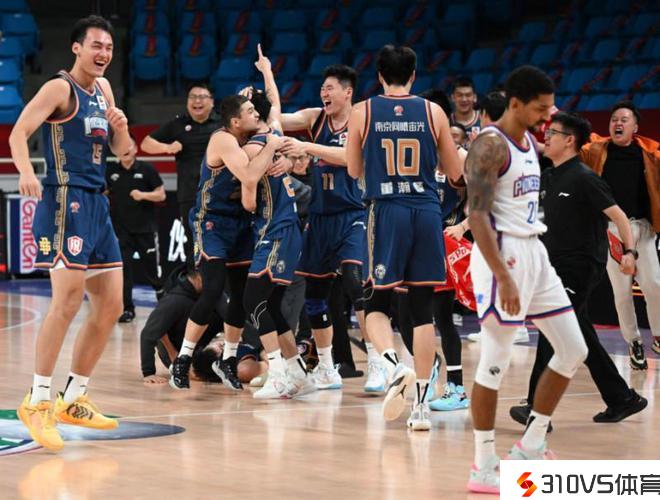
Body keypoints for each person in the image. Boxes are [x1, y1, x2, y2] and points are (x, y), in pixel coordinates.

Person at [464, 66, 589, 494]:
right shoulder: (489, 145)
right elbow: (476, 216)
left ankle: (531, 445)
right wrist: (503, 275)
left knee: (573, 348)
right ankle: (483, 465)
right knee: (495, 360)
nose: (547, 116)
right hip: (503, 255)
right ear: (515, 103)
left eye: (550, 109)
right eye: (540, 108)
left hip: (535, 252)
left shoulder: (530, 143)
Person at [9, 15, 131, 452]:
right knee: (67, 300)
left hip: (97, 203)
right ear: (77, 47)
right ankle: (38, 400)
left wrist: (122, 129)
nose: (103, 54)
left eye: (109, 48)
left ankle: (73, 397)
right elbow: (19, 133)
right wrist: (27, 172)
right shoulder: (59, 89)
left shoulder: (105, 90)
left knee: (112, 304)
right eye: (96, 45)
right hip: (65, 200)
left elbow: (124, 154)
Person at [346, 44, 462, 430]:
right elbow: (454, 172)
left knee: (376, 302)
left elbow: (353, 169)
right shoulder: (434, 112)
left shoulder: (363, 111)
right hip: (427, 211)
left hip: (387, 210)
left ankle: (395, 365)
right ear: (414, 75)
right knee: (422, 310)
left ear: (379, 75)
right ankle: (422, 409)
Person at [510, 111, 647, 428]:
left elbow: (619, 217)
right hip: (553, 266)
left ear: (569, 140)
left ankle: (536, 409)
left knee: (551, 329)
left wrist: (629, 252)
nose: (546, 138)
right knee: (580, 334)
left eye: (552, 134)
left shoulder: (585, 178)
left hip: (580, 267)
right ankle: (622, 398)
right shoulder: (548, 176)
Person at [271, 62, 385, 393]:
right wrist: (266, 77)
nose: (324, 93)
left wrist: (306, 147)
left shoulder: (362, 120)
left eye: (330, 88)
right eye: (322, 88)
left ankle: (376, 363)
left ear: (348, 92)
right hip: (321, 218)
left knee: (354, 281)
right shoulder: (314, 117)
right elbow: (276, 121)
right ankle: (326, 366)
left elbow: (350, 158)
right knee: (315, 295)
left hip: (354, 213)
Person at [168, 94, 284, 392]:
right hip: (212, 222)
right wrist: (272, 146)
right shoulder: (223, 139)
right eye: (249, 111)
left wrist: (266, 75)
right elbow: (248, 176)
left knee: (242, 295)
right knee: (213, 289)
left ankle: (229, 358)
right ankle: (183, 359)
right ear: (235, 121)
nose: (255, 114)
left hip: (240, 222)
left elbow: (274, 112)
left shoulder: (252, 136)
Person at [239, 47, 315, 399]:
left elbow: (249, 186)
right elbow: (274, 103)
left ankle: (278, 373)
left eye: (248, 108)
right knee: (269, 305)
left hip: (278, 229)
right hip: (279, 228)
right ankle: (297, 372)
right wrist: (267, 71)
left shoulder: (259, 144)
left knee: (253, 300)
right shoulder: (269, 133)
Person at [580, 101, 660, 369]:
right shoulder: (595, 151)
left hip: (643, 228)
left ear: (635, 127)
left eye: (624, 119)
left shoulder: (650, 153)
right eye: (614, 119)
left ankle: (658, 335)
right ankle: (634, 341)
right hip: (612, 229)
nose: (618, 123)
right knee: (622, 291)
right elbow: (568, 150)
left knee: (654, 284)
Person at [139, 267, 265, 385]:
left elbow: (235, 320)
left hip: (204, 349)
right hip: (178, 354)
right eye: (213, 278)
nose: (217, 282)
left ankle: (268, 358)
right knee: (241, 371)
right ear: (199, 277)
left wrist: (262, 347)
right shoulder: (173, 301)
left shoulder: (214, 295)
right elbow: (148, 334)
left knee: (233, 315)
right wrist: (149, 372)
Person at [141, 82, 220, 269]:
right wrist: (167, 147)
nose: (197, 101)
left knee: (219, 240)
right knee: (193, 242)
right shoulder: (178, 124)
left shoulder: (222, 123)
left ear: (211, 102)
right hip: (189, 194)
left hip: (218, 194)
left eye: (202, 97)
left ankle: (220, 283)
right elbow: (146, 143)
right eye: (193, 97)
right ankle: (196, 279)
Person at [106, 139, 165, 322]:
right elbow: (104, 193)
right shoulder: (110, 172)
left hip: (144, 229)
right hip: (121, 231)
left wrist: (143, 195)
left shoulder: (147, 169)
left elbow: (161, 194)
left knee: (151, 270)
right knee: (124, 271)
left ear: (135, 148)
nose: (125, 149)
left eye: (129, 145)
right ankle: (128, 309)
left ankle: (163, 303)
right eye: (121, 146)